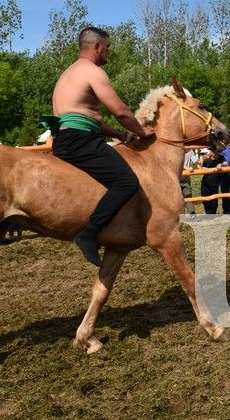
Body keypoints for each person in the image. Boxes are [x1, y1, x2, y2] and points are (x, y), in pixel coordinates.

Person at [50, 26, 155, 266]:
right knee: (126, 182)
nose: (109, 53)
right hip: (80, 141)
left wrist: (121, 134)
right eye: (107, 48)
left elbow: (91, 119)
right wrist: (141, 131)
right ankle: (89, 233)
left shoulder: (69, 73)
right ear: (97, 47)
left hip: (67, 138)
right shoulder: (92, 72)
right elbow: (120, 111)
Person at [200, 147, 226, 215]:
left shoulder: (221, 158)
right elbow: (200, 166)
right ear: (211, 152)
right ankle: (208, 214)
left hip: (215, 182)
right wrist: (202, 167)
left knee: (214, 200)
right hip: (205, 181)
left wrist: (221, 164)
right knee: (205, 198)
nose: (216, 153)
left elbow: (226, 164)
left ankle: (212, 214)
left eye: (218, 152)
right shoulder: (206, 160)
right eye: (214, 151)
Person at [181, 147, 201, 215]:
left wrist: (201, 168)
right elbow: (175, 162)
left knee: (188, 195)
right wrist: (187, 168)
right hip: (175, 179)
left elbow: (196, 162)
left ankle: (192, 214)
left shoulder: (190, 151)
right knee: (176, 198)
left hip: (186, 179)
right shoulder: (177, 149)